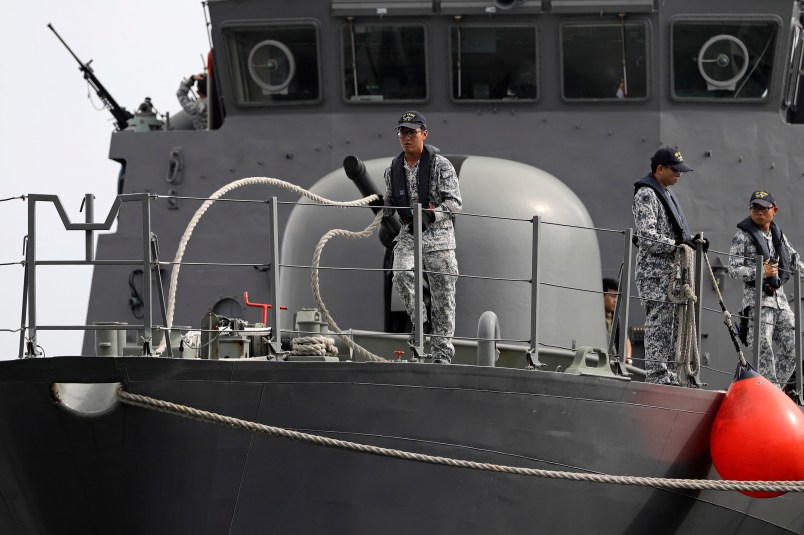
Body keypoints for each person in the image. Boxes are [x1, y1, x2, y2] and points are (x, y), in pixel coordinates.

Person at [383, 111, 462, 364]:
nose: (406, 137)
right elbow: (392, 199)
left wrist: (430, 216)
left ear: (424, 134)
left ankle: (441, 356)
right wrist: (383, 204)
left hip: (439, 239)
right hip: (409, 235)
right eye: (402, 133)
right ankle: (420, 320)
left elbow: (454, 203)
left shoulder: (442, 166)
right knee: (402, 273)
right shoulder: (392, 170)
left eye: (412, 132)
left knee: (444, 297)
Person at [632, 146, 706, 385]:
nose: (679, 175)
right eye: (675, 170)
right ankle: (657, 376)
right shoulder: (647, 194)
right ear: (660, 169)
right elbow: (646, 237)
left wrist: (691, 242)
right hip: (655, 274)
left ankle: (670, 375)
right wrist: (676, 244)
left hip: (671, 274)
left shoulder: (666, 193)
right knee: (659, 323)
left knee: (673, 327)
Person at [728, 190, 804, 388]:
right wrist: (760, 271)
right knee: (763, 350)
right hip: (758, 303)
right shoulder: (742, 237)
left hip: (780, 302)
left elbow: (794, 260)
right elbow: (734, 269)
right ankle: (767, 390)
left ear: (774, 210)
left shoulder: (778, 235)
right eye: (754, 207)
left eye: (763, 208)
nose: (758, 211)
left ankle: (773, 389)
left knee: (794, 347)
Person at [603, 278, 632, 365]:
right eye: (612, 296)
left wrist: (628, 359)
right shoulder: (595, 317)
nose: (615, 301)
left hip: (614, 364)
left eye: (616, 297)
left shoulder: (615, 318)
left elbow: (625, 339)